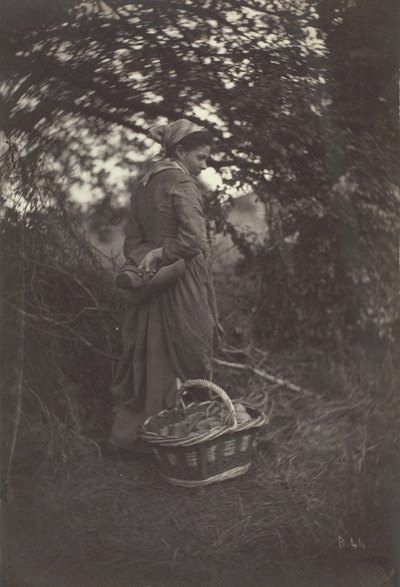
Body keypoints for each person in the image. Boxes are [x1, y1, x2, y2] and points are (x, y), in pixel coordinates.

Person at [109, 119, 223, 451]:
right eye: (200, 158)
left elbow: (131, 243)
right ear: (180, 151)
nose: (203, 166)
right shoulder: (182, 183)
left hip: (150, 281)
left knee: (150, 355)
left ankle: (145, 438)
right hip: (181, 279)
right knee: (192, 349)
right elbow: (192, 240)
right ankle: (191, 442)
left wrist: (148, 261)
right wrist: (164, 255)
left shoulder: (143, 184)